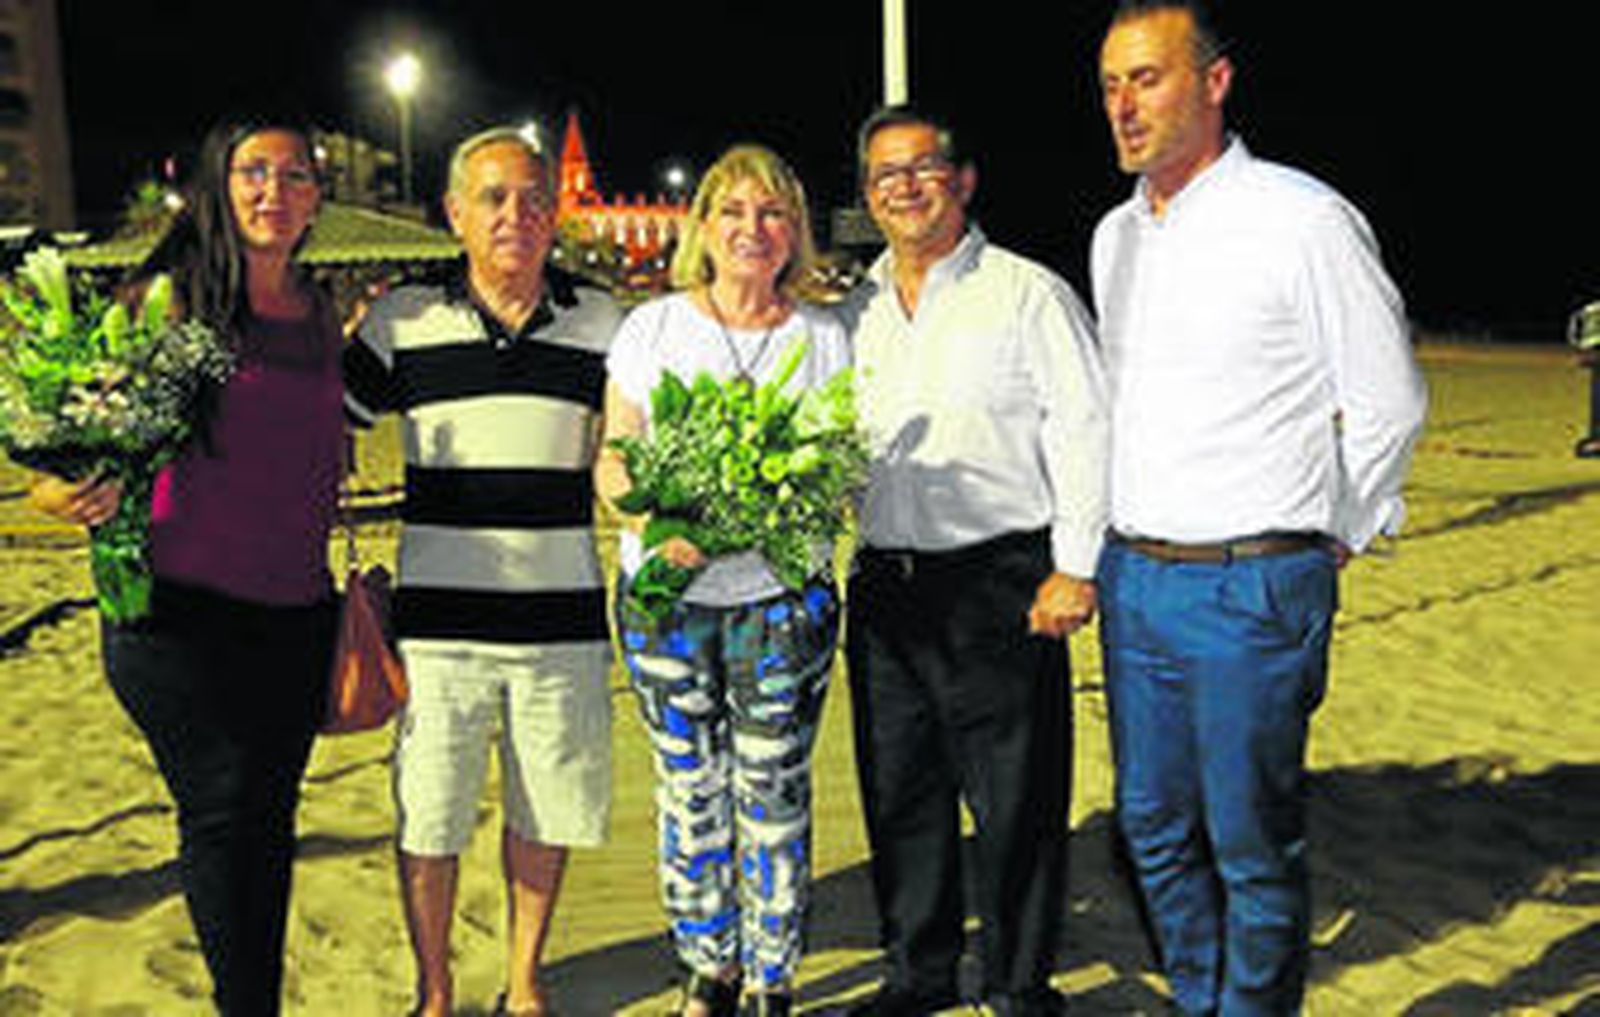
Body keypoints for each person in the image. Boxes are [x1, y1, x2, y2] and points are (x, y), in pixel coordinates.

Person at [1092, 2, 1429, 1013]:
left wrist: (1330, 533)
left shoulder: (1301, 218)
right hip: (1135, 578)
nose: (1123, 104)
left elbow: (1386, 400)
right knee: (1150, 826)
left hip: (1251, 585)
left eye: (1146, 77)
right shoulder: (1114, 238)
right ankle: (1203, 1000)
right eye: (1109, 84)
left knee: (1248, 840)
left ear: (1214, 82)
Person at [30, 118, 342, 1015]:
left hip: (297, 610)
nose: (273, 192)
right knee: (222, 808)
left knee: (268, 822)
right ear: (218, 184)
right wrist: (63, 497)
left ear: (317, 196)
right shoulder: (168, 303)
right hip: (178, 614)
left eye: (294, 175)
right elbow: (61, 453)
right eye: (254, 172)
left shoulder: (321, 311)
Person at [342, 126, 620, 1017]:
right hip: (435, 630)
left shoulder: (606, 319)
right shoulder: (400, 321)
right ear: (454, 213)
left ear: (556, 212)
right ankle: (434, 992)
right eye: (493, 197)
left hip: (562, 620)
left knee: (547, 812)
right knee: (429, 816)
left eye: (534, 197)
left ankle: (525, 980)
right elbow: (315, 427)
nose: (516, 214)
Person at [844, 106, 1109, 1017]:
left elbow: (1086, 427)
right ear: (869, 195)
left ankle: (1018, 982)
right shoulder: (853, 310)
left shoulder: (1028, 293)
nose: (904, 186)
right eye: (884, 174)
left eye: (922, 168)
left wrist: (1075, 565)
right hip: (885, 585)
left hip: (1002, 579)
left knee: (1016, 799)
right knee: (900, 791)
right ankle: (916, 975)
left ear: (963, 180)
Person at [596, 144, 850, 1017]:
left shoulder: (824, 336)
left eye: (773, 213)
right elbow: (615, 456)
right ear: (702, 225)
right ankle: (710, 964)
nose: (753, 229)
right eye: (733, 211)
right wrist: (647, 524)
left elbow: (840, 472)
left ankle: (773, 974)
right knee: (689, 791)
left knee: (772, 789)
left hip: (782, 607)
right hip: (668, 608)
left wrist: (781, 502)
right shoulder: (653, 327)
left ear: (796, 232)